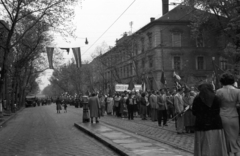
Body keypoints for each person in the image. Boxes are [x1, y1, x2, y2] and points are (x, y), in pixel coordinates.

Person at [192, 83, 227, 156]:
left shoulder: (197, 98)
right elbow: (217, 111)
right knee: (216, 145)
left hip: (201, 125)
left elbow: (194, 112)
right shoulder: (216, 98)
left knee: (203, 145)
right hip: (215, 124)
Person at [216, 72, 240, 156]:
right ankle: (236, 152)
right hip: (234, 116)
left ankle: (228, 153)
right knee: (235, 138)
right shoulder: (238, 91)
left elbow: (216, 105)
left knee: (225, 138)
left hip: (222, 116)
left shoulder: (219, 91)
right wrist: (234, 105)